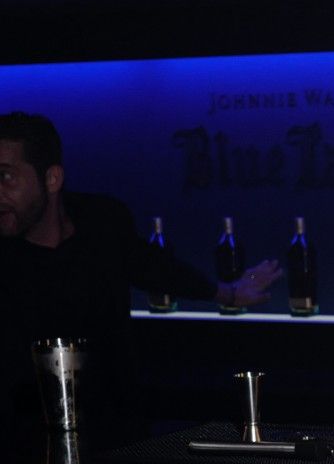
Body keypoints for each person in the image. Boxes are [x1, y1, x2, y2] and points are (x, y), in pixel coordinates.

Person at [0, 112, 282, 433]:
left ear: (52, 179)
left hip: (116, 433)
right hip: (26, 441)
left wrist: (230, 293)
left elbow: (156, 268)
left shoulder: (102, 222)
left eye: (5, 177)